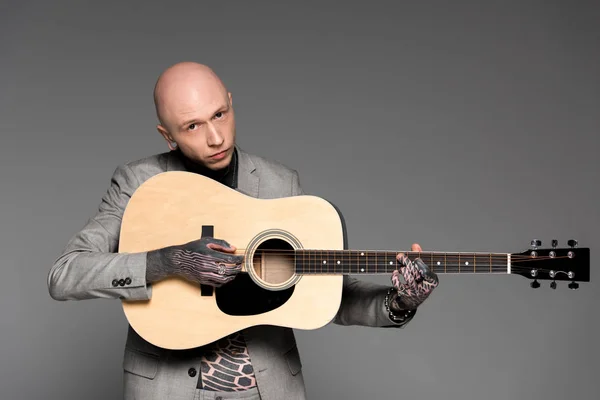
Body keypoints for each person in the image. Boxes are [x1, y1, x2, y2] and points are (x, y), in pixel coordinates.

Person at [47, 62, 439, 400]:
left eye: (219, 115)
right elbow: (66, 274)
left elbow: (325, 296)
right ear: (167, 135)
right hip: (167, 388)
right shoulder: (139, 183)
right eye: (192, 126)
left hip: (265, 389)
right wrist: (166, 262)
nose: (215, 137)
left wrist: (399, 301)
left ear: (232, 103)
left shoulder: (280, 183)